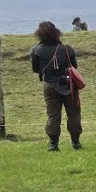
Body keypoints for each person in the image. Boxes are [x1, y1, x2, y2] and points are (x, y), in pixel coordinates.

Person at [28, 21, 81, 151]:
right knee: (73, 113)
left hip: (49, 85)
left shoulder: (36, 51)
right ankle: (75, 141)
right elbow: (74, 66)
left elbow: (35, 69)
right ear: (56, 33)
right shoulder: (67, 49)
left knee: (53, 115)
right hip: (68, 83)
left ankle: (53, 143)